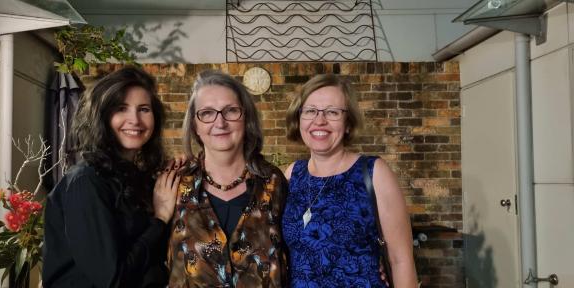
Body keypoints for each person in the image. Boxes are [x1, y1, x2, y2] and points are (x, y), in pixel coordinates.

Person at [42, 66, 180, 288]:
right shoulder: (86, 181)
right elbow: (112, 280)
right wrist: (160, 218)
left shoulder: (134, 177)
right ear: (103, 115)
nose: (134, 120)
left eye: (144, 109)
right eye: (121, 108)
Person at [282, 74, 417, 287]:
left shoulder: (373, 172)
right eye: (310, 111)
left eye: (333, 112)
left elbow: (401, 260)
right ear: (298, 119)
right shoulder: (292, 175)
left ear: (347, 123)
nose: (319, 120)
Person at [167, 70, 288, 287]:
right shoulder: (174, 184)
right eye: (207, 113)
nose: (220, 122)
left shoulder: (273, 182)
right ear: (195, 125)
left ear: (246, 118)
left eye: (231, 111)